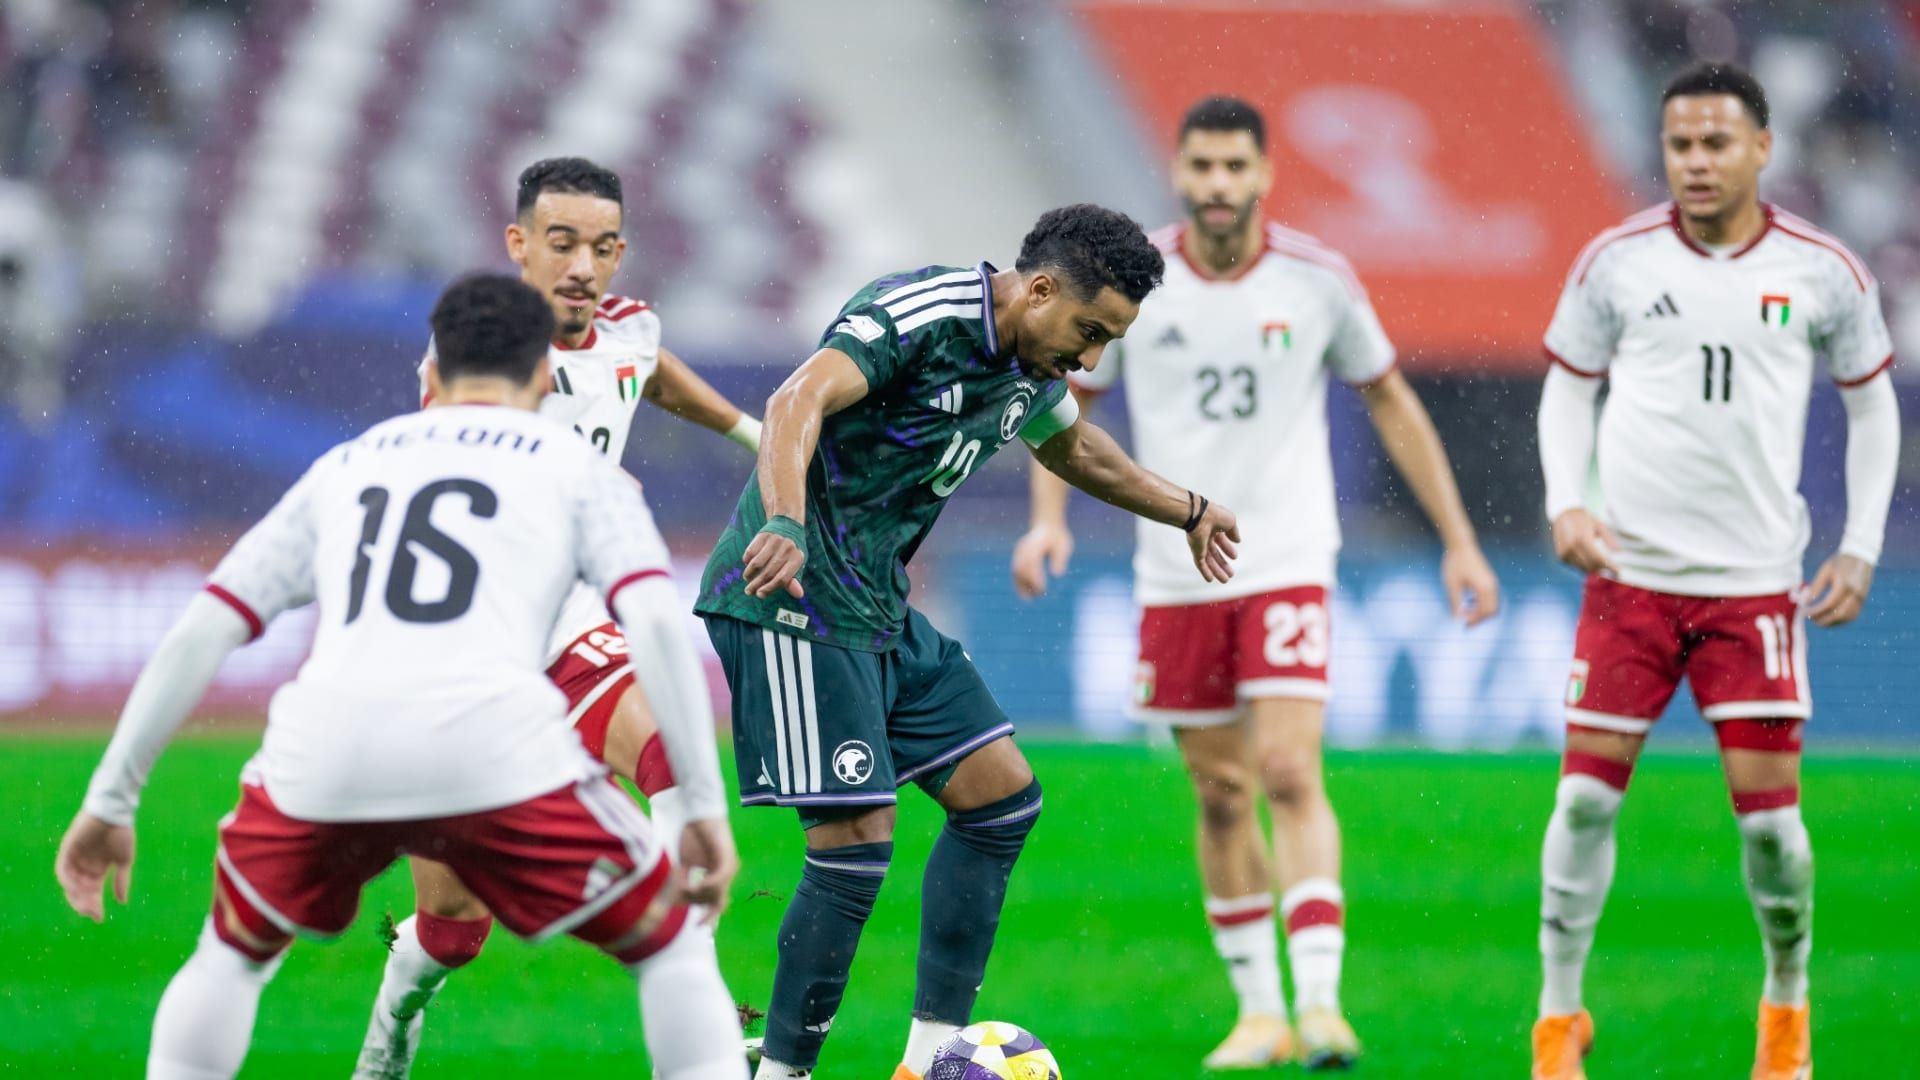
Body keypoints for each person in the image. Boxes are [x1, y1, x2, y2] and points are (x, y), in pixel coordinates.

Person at [53, 274, 748, 1080]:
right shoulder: (577, 469)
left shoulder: (348, 465)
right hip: (486, 747)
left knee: (231, 957)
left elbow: (206, 626)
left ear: (431, 375)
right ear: (539, 377)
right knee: (671, 948)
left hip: (328, 749)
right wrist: (702, 806)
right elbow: (657, 622)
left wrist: (111, 801)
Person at [694, 204, 1240, 1080]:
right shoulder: (923, 316)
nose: (1091, 360)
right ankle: (782, 1073)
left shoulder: (1030, 363)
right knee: (855, 845)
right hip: (792, 597)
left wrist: (1190, 509)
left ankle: (927, 1063)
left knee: (1000, 799)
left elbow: (1076, 451)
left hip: (876, 604)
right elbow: (797, 398)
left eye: (1108, 343)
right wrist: (786, 521)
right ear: (1040, 289)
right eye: (1090, 332)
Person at [1011, 96, 1500, 1071]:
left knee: (1286, 771)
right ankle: (1259, 1013)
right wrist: (1047, 521)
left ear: (1264, 175)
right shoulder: (1134, 286)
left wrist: (1458, 540)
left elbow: (1390, 398)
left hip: (1286, 559)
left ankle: (1320, 1004)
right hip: (1174, 569)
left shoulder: (1318, 278)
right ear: (1180, 172)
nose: (1219, 184)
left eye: (1236, 166)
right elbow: (1065, 407)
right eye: (1203, 166)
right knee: (1222, 792)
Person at [1529, 63, 1899, 1080]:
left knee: (1772, 830)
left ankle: (1785, 1003)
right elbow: (1567, 388)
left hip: (1752, 589)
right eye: (1680, 145)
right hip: (1630, 582)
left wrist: (1861, 543)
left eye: (1716, 143)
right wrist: (1566, 500)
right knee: (1584, 804)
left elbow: (1873, 403)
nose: (1695, 162)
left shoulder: (1823, 270)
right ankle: (1557, 1024)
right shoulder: (1616, 262)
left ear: (1762, 148)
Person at [359, 156, 762, 1078]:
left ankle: (699, 1030)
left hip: (575, 625)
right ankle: (384, 1047)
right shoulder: (476, 354)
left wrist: (752, 431)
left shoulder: (628, 328)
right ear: (519, 245)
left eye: (602, 247)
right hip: (471, 646)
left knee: (671, 754)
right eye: (562, 243)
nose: (583, 267)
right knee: (451, 932)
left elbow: (645, 370)